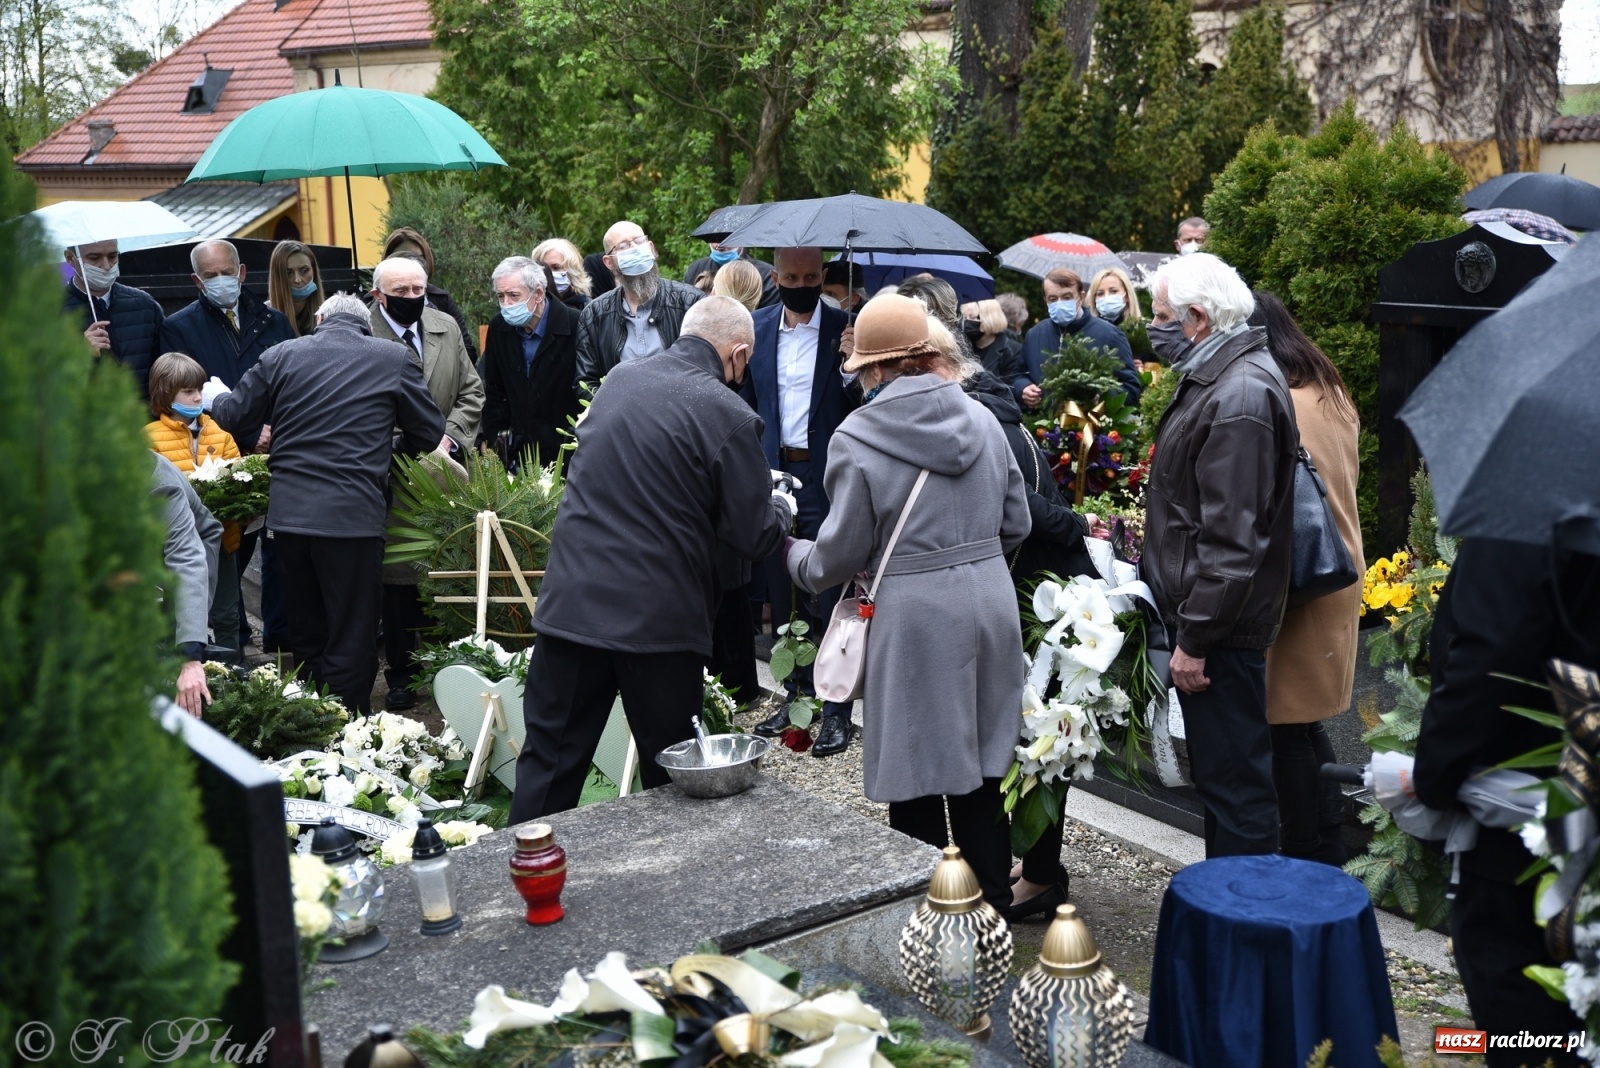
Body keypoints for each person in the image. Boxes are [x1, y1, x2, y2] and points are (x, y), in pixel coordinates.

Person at [784, 294, 1031, 910]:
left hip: (914, 613)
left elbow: (839, 554)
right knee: (982, 764)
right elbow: (1018, 522)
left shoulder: (857, 435)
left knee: (917, 769)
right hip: (990, 600)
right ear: (926, 355)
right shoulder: (982, 419)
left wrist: (792, 554)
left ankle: (928, 912)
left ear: (871, 368)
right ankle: (993, 908)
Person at [509, 296, 795, 821]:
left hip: (572, 606)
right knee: (671, 776)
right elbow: (752, 535)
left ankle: (518, 881)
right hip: (657, 626)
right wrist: (781, 503)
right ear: (738, 354)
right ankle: (667, 894)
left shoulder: (619, 379)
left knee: (548, 763)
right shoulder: (728, 412)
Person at [205, 292, 445, 715]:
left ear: (319, 318)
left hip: (290, 521)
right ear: (366, 326)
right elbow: (428, 433)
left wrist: (213, 397)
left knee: (307, 631)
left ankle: (313, 722)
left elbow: (234, 415)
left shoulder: (281, 354)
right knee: (352, 632)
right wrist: (386, 449)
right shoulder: (392, 357)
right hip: (354, 519)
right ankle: (348, 725)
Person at [1412, 540, 1598, 1068]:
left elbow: (1491, 650)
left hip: (1532, 818)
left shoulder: (1535, 485)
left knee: (1531, 1025)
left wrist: (1434, 778)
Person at [1141, 253, 1297, 858]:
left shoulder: (1237, 396)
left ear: (1198, 318)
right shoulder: (1222, 376)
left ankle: (1244, 931)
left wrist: (1196, 639)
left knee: (1237, 792)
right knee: (1225, 783)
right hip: (1213, 623)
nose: (1152, 329)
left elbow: (1232, 543)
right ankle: (1225, 919)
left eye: (1160, 317)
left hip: (1220, 633)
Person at [1251, 291, 1361, 866]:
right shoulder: (1330, 390)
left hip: (1300, 579)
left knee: (1282, 726)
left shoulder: (1281, 400)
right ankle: (1326, 844)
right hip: (1335, 570)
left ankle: (1307, 851)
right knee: (1302, 722)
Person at [742, 246, 859, 757]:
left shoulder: (847, 329)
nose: (802, 284)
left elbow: (868, 400)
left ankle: (836, 713)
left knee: (830, 591)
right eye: (792, 276)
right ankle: (796, 695)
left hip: (826, 471)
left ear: (823, 276)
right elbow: (743, 396)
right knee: (780, 585)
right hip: (773, 470)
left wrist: (854, 364)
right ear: (776, 277)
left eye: (812, 276)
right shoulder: (757, 326)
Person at [161, 238, 295, 651]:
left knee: (279, 553)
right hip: (217, 458)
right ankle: (230, 644)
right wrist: (248, 430)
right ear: (197, 280)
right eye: (210, 275)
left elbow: (293, 381)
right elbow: (183, 393)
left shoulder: (273, 322)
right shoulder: (179, 328)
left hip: (276, 450)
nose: (221, 281)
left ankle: (279, 642)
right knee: (225, 556)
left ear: (241, 273)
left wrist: (273, 425)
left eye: (227, 272)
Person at [369, 255, 484, 709]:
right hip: (393, 474)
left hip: (449, 473)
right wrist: (411, 442)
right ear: (379, 295)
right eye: (401, 293)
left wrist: (449, 438)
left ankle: (453, 671)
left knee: (451, 564)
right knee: (398, 577)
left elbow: (472, 389)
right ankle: (401, 673)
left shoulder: (443, 325)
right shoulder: (366, 334)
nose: (412, 300)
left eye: (419, 290)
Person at [146, 351, 245, 657]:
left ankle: (229, 670)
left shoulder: (220, 433)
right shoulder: (148, 438)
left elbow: (241, 474)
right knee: (174, 612)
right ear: (165, 393)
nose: (196, 397)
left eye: (199, 390)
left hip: (222, 541)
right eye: (188, 392)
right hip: (168, 548)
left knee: (228, 613)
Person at [574, 220, 705, 399]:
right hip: (623, 422)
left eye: (639, 241)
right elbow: (586, 383)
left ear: (651, 248)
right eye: (623, 246)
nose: (634, 249)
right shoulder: (594, 315)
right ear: (608, 262)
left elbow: (708, 368)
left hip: (680, 419)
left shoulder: (691, 302)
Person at [479, 256, 581, 470]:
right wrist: (496, 440)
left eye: (514, 296)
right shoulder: (500, 328)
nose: (506, 304)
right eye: (500, 296)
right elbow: (495, 391)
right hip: (519, 456)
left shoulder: (576, 324)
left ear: (538, 294)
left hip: (568, 454)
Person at [152, 452, 222, 717]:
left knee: (175, 638)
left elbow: (187, 559)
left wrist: (190, 657)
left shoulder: (156, 481)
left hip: (195, 544)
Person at [1013, 268, 1140, 409]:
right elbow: (1018, 374)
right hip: (1042, 425)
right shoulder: (1034, 335)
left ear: (1081, 297)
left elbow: (1131, 389)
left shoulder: (1110, 335)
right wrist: (1023, 388)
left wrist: (1103, 397)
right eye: (1053, 299)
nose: (1060, 303)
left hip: (1091, 427)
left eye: (1067, 297)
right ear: (1045, 300)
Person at [63, 238, 164, 396]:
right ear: (70, 258)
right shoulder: (50, 311)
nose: (106, 266)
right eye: (94, 258)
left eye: (112, 256)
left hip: (144, 415)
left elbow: (167, 368)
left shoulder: (144, 304)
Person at [383, 227, 478, 361]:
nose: (412, 265)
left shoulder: (441, 300)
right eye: (403, 259)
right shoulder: (372, 305)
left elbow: (467, 353)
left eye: (418, 259)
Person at [684, 243, 779, 308]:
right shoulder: (695, 269)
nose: (719, 245)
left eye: (726, 236)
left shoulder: (765, 275)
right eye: (715, 238)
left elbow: (766, 317)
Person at [267, 240, 325, 337]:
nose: (297, 280)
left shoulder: (328, 315)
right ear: (277, 278)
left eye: (304, 271)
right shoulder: (263, 319)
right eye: (288, 273)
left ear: (314, 271)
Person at [960, 298, 1022, 382]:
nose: (966, 322)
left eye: (972, 317)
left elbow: (1010, 388)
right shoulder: (962, 348)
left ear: (988, 319)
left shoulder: (1012, 351)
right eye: (964, 317)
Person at [531, 238, 593, 311]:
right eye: (544, 268)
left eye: (556, 268)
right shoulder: (528, 309)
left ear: (573, 271)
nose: (549, 273)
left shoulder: (590, 310)